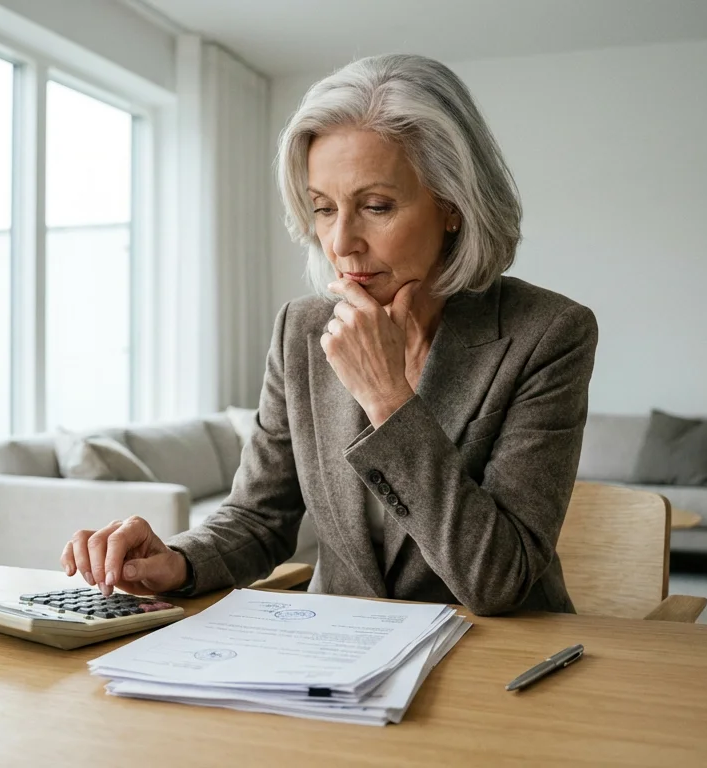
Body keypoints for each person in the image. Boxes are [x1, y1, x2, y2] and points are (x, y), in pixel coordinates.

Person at [60, 53, 597, 616]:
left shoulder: (549, 333)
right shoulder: (302, 329)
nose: (341, 243)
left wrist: (388, 398)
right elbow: (259, 517)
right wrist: (178, 560)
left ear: (453, 206)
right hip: (339, 657)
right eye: (322, 208)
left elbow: (500, 581)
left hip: (502, 663)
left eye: (376, 206)